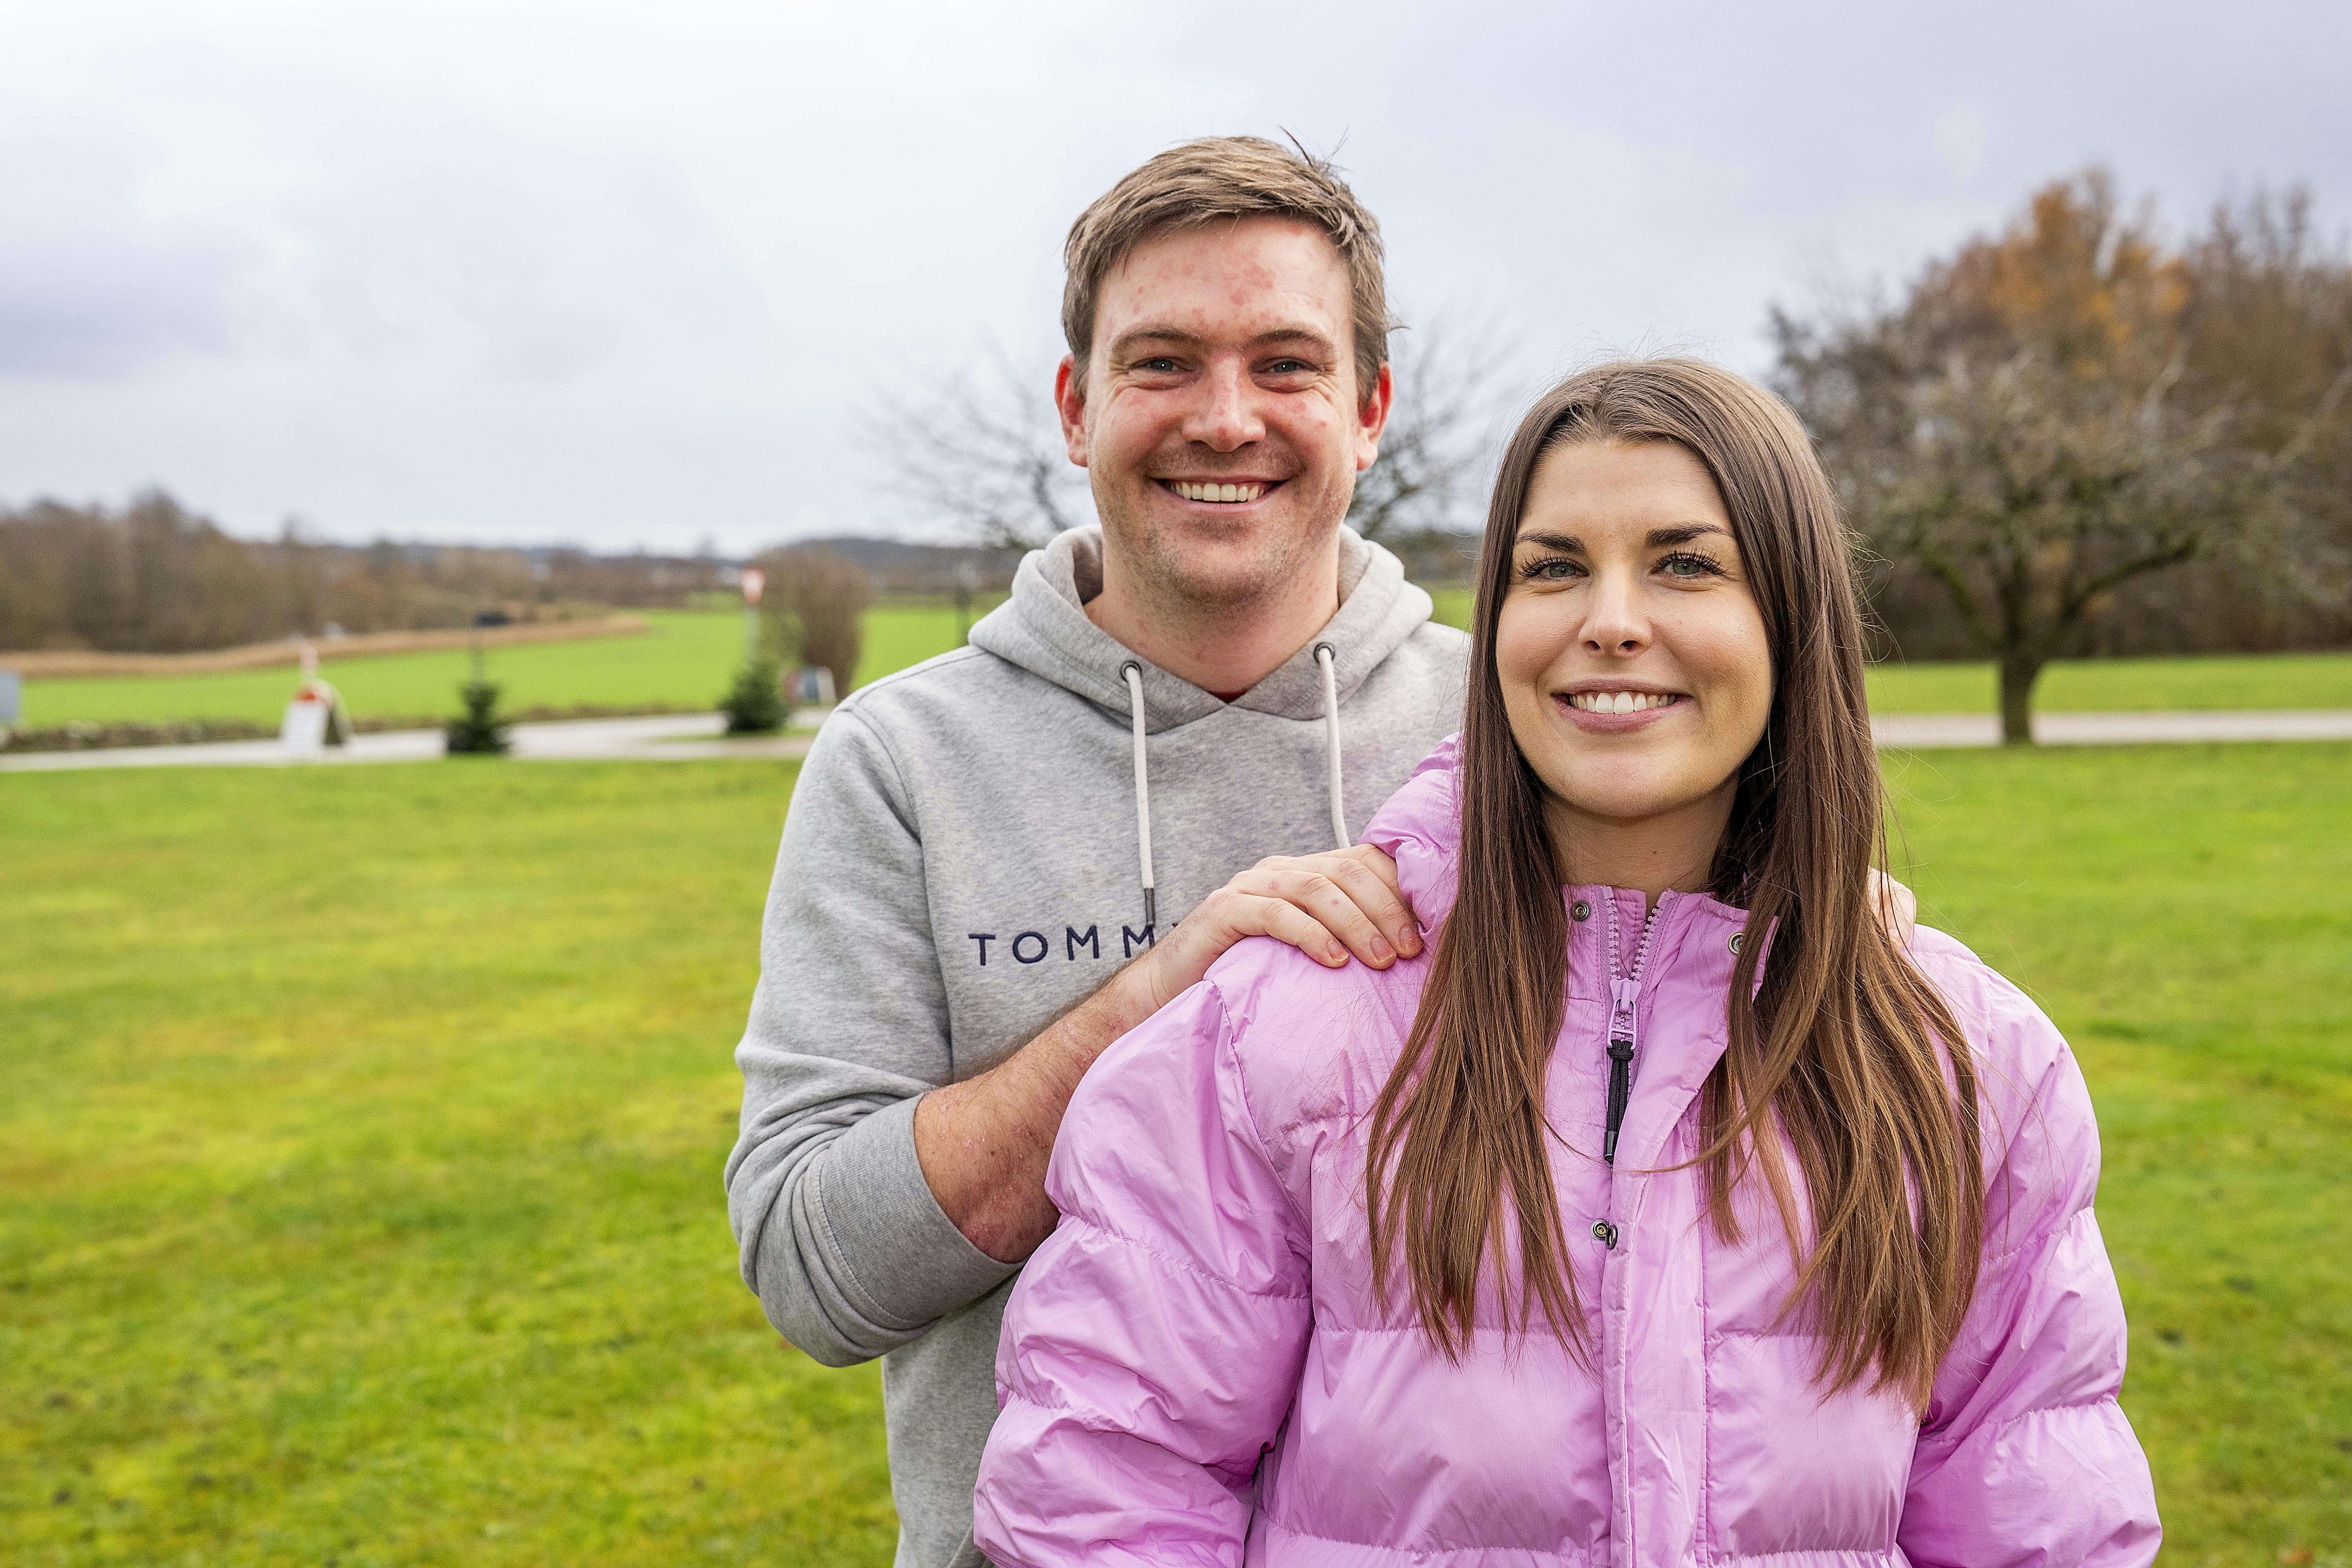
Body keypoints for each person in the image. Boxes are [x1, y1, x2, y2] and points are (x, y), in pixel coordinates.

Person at [974, 360, 2161, 1566]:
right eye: (1553, 569)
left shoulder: (1967, 1060)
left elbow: (2044, 1525)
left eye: (1684, 564)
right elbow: (1102, 1486)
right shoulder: (1277, 1034)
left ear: (1791, 622)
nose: (1612, 620)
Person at [724, 138, 1469, 1568]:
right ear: (1077, 408)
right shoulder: (902, 763)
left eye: (1287, 365)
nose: (1226, 419)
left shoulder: (1508, 733)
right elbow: (818, 1273)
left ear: (1370, 410)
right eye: (1164, 363)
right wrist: (1164, 1000)